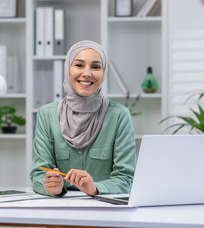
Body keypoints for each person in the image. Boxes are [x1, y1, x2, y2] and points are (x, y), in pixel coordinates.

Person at [30, 40, 136, 196]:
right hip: (58, 207)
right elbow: (38, 173)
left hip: (104, 209)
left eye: (95, 67)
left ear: (103, 72)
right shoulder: (47, 114)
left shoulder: (119, 116)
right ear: (68, 69)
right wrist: (50, 186)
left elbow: (125, 178)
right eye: (79, 65)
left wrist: (95, 188)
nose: (87, 73)